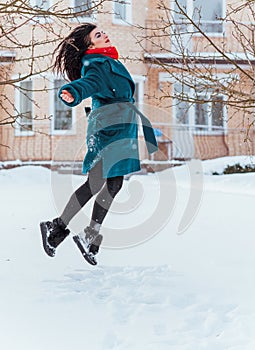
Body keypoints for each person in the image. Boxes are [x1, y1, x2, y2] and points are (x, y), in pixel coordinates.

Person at [40, 24, 158, 265]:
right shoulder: (95, 64)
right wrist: (72, 91)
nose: (103, 34)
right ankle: (58, 228)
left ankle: (84, 234)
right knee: (96, 182)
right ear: (90, 45)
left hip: (121, 128)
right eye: (97, 35)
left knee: (114, 184)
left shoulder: (108, 61)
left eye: (101, 32)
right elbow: (88, 83)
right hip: (108, 130)